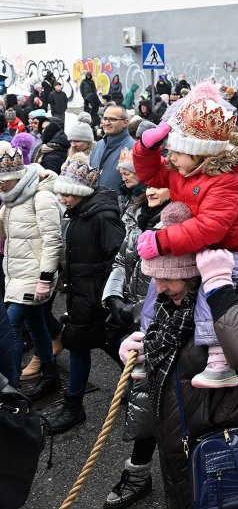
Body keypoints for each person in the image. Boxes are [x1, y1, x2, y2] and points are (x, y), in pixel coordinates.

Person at [119, 207, 238, 508]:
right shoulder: (169, 299)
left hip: (237, 458)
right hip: (184, 453)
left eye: (166, 279)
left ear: (193, 271)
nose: (158, 289)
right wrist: (142, 351)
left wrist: (218, 289)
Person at [133, 82, 238, 388]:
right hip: (204, 245)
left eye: (177, 152)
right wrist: (147, 147)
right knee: (158, 284)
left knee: (211, 284)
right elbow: (150, 174)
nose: (171, 158)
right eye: (170, 150)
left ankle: (219, 357)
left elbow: (210, 226)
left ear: (200, 153)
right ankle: (147, 341)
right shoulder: (181, 171)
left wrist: (161, 241)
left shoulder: (226, 181)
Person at [100, 185, 169, 508]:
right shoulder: (136, 214)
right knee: (141, 398)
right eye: (150, 184)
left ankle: (139, 473)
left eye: (162, 183)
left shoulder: (178, 223)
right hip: (131, 321)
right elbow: (120, 261)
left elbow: (178, 282)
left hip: (159, 325)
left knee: (148, 400)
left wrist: (139, 310)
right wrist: (113, 297)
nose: (153, 190)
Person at [50, 153, 125, 434]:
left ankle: (75, 405)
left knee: (96, 343)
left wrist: (101, 296)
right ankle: (78, 402)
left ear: (80, 192)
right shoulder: (79, 214)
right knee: (92, 343)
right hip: (80, 294)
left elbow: (117, 258)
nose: (63, 199)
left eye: (68, 194)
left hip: (93, 298)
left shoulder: (102, 217)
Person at [0, 143, 63, 394]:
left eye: (4, 181)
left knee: (11, 329)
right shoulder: (12, 198)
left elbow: (52, 239)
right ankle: (50, 374)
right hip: (17, 273)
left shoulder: (41, 196)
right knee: (36, 325)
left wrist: (45, 278)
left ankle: (11, 391)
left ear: (16, 177)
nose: (1, 185)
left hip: (34, 276)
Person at [90, 105, 135, 190]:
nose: (107, 123)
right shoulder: (98, 145)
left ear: (125, 123)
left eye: (113, 119)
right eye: (105, 119)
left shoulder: (133, 148)